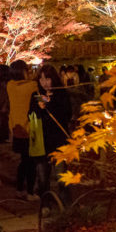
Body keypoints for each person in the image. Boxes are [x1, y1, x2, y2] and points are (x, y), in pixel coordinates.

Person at [29, 65, 72, 198]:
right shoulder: (36, 95)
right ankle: (46, 204)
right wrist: (39, 108)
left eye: (47, 79)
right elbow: (30, 114)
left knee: (62, 176)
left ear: (53, 79)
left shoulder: (62, 93)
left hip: (59, 140)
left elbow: (67, 114)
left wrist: (50, 103)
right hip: (42, 141)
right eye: (41, 79)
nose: (44, 83)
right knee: (43, 177)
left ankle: (66, 204)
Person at [7, 60, 38, 199]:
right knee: (31, 162)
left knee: (24, 161)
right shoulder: (32, 86)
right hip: (30, 128)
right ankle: (30, 192)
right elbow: (41, 99)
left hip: (16, 128)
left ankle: (19, 189)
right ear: (23, 71)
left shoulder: (10, 86)